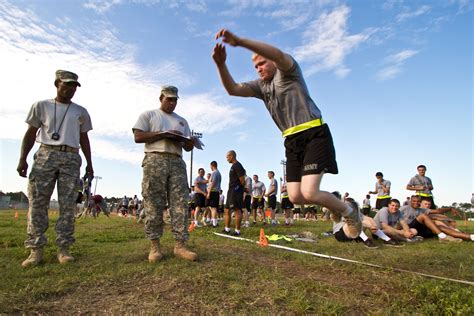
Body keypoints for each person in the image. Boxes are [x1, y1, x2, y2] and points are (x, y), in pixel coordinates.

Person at [212, 29, 362, 238]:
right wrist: (221, 65)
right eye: (255, 66)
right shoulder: (261, 87)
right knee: (296, 196)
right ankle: (337, 205)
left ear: (272, 61)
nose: (258, 69)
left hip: (313, 133)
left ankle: (350, 211)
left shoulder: (289, 72)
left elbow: (279, 55)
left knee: (310, 192)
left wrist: (241, 42)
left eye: (262, 63)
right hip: (291, 140)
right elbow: (233, 89)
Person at [17, 70, 93, 267]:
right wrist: (22, 159)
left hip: (71, 156)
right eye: (67, 84)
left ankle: (64, 249)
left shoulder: (80, 111)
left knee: (68, 205)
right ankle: (35, 250)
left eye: (74, 86)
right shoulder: (41, 106)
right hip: (46, 154)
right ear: (57, 84)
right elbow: (31, 133)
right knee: (38, 202)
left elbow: (84, 139)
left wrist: (90, 165)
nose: (71, 89)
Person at [133, 85, 198, 262]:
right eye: (169, 99)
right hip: (155, 159)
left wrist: (190, 141)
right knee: (153, 202)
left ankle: (180, 246)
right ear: (161, 98)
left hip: (177, 160)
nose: (172, 103)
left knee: (180, 204)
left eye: (175, 100)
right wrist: (163, 134)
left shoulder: (182, 121)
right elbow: (138, 137)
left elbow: (187, 147)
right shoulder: (149, 115)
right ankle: (155, 247)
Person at [332, 198, 401, 248]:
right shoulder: (341, 211)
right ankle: (366, 240)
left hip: (354, 235)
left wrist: (373, 226)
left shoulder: (356, 212)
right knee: (355, 222)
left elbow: (368, 218)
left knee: (366, 219)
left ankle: (387, 239)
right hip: (341, 234)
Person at [400, 196, 465, 242]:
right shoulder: (404, 208)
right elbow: (395, 216)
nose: (416, 203)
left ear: (420, 202)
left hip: (419, 229)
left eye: (418, 201)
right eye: (414, 201)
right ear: (410, 201)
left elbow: (438, 211)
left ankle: (461, 236)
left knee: (439, 227)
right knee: (423, 216)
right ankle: (442, 236)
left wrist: (450, 208)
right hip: (408, 227)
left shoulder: (422, 209)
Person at [223, 150, 246, 236]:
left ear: (231, 156)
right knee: (226, 210)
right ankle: (227, 229)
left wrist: (239, 188)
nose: (226, 159)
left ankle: (237, 231)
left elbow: (242, 180)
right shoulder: (233, 166)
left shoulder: (237, 165)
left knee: (237, 210)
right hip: (231, 190)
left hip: (236, 191)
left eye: (227, 157)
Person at [207, 161, 222, 228]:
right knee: (212, 207)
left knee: (213, 208)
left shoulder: (214, 173)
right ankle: (214, 222)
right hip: (216, 192)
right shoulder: (218, 173)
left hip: (213, 191)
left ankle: (214, 224)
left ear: (212, 165)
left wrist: (209, 192)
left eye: (210, 166)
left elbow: (213, 183)